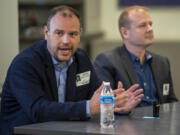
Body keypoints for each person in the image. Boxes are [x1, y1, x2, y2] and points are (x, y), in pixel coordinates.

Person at [0, 5, 143, 135]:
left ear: (80, 33)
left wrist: (116, 104)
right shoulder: (25, 63)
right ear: (46, 33)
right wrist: (88, 108)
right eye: (59, 33)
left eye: (73, 34)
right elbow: (38, 110)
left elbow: (96, 96)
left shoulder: (81, 59)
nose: (66, 41)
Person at [94, 6, 178, 107]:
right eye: (143, 25)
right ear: (125, 32)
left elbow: (171, 102)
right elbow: (104, 104)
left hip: (161, 120)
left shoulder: (162, 62)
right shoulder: (107, 61)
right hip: (128, 121)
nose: (150, 29)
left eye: (150, 24)